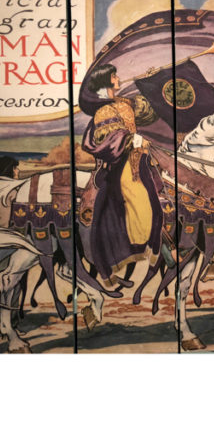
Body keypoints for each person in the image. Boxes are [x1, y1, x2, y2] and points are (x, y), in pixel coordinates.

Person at [79, 64, 163, 281]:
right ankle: (140, 244)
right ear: (107, 81)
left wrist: (151, 84)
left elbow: (151, 114)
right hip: (119, 166)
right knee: (141, 200)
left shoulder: (123, 103)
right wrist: (132, 139)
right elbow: (108, 141)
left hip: (138, 161)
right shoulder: (104, 110)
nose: (118, 78)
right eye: (114, 76)